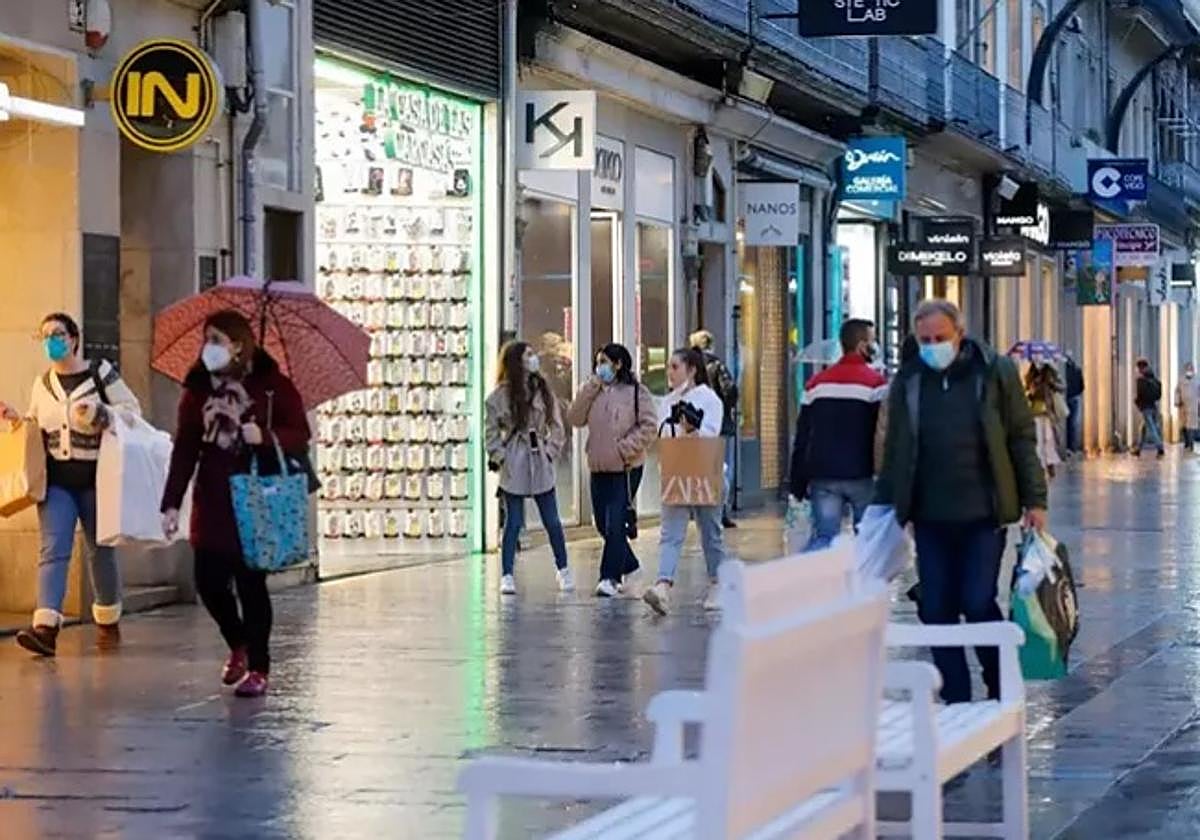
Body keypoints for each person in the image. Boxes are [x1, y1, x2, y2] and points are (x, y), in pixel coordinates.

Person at [875, 299, 1047, 704]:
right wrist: (885, 508)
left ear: (960, 334)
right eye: (925, 340)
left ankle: (999, 685)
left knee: (977, 600)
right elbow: (897, 449)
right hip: (930, 517)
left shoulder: (993, 372)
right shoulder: (910, 380)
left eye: (940, 338)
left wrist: (1034, 500)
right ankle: (955, 699)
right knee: (937, 608)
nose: (933, 346)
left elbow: (1020, 438)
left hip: (983, 513)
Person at [161, 310, 310, 698]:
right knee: (208, 582)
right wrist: (171, 503)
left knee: (251, 584)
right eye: (206, 339)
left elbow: (300, 434)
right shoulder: (197, 389)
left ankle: (259, 666)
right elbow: (185, 448)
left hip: (254, 497)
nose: (208, 347)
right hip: (212, 498)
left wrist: (263, 434)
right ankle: (238, 643)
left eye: (217, 340)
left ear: (239, 345)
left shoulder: (273, 386)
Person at [3, 313, 141, 656]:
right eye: (46, 334)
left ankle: (107, 618)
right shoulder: (42, 383)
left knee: (100, 549)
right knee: (53, 550)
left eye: (59, 333)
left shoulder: (101, 373)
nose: (52, 340)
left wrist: (101, 414)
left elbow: (131, 410)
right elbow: (36, 425)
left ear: (75, 338)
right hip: (57, 482)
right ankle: (45, 627)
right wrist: (15, 419)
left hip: (97, 477)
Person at [643, 347, 730, 615]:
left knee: (710, 531)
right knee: (671, 533)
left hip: (706, 472)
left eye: (674, 367)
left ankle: (718, 583)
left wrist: (694, 428)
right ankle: (663, 585)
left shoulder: (710, 399)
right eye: (668, 367)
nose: (669, 373)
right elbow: (661, 434)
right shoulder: (667, 402)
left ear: (691, 370)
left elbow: (712, 435)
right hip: (676, 472)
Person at [566, 343, 657, 598]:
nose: (600, 367)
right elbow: (574, 418)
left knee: (616, 522)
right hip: (598, 465)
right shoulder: (593, 391)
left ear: (618, 364)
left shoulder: (637, 393)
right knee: (602, 525)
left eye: (605, 362)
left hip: (626, 467)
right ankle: (631, 566)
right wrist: (591, 387)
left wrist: (625, 448)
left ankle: (609, 578)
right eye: (598, 362)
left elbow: (649, 426)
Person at [788, 318, 887, 550]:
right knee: (867, 541)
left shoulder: (815, 384)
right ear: (863, 345)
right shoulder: (876, 384)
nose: (875, 347)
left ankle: (810, 580)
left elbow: (803, 435)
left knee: (824, 537)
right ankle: (863, 585)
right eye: (873, 342)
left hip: (823, 474)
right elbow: (882, 433)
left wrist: (797, 482)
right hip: (862, 473)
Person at [485, 341, 572, 595]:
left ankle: (563, 569)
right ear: (516, 361)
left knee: (552, 520)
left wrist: (550, 451)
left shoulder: (543, 390)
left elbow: (557, 425)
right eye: (528, 355)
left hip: (539, 457)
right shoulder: (499, 396)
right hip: (515, 459)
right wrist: (501, 457)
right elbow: (490, 432)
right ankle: (507, 574)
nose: (534, 359)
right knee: (513, 522)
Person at [689, 329, 739, 528]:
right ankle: (720, 510)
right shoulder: (717, 366)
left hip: (695, 427)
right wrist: (726, 408)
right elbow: (731, 391)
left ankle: (696, 508)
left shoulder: (689, 368)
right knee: (722, 469)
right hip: (720, 426)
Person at [1025, 358, 1064, 479]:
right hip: (1035, 412)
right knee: (1039, 440)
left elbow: (1062, 386)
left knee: (1049, 438)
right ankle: (1041, 466)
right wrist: (1031, 389)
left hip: (1048, 412)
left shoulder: (1050, 373)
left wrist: (1052, 385)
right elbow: (1026, 391)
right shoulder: (1030, 376)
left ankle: (1050, 464)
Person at [1133, 358, 1164, 458]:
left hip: (1145, 408)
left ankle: (1160, 447)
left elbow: (1140, 395)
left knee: (1151, 428)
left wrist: (1137, 402)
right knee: (1143, 429)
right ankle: (1138, 449)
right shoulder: (1154, 378)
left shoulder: (1141, 380)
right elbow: (1158, 395)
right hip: (1153, 406)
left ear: (1140, 368)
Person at [1064, 352, 1085, 454]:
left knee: (1066, 423)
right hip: (1075, 398)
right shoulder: (1077, 370)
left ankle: (1067, 446)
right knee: (1072, 424)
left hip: (1066, 398)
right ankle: (1072, 447)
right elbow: (1082, 387)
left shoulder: (1064, 371)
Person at [1177, 362, 1199, 452]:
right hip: (1183, 405)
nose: (1189, 371)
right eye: (1188, 369)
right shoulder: (1181, 380)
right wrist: (1177, 401)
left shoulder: (1197, 380)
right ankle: (1186, 441)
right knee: (1184, 425)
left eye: (1191, 369)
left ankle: (1191, 443)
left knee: (1192, 426)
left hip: (1193, 405)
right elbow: (1177, 391)